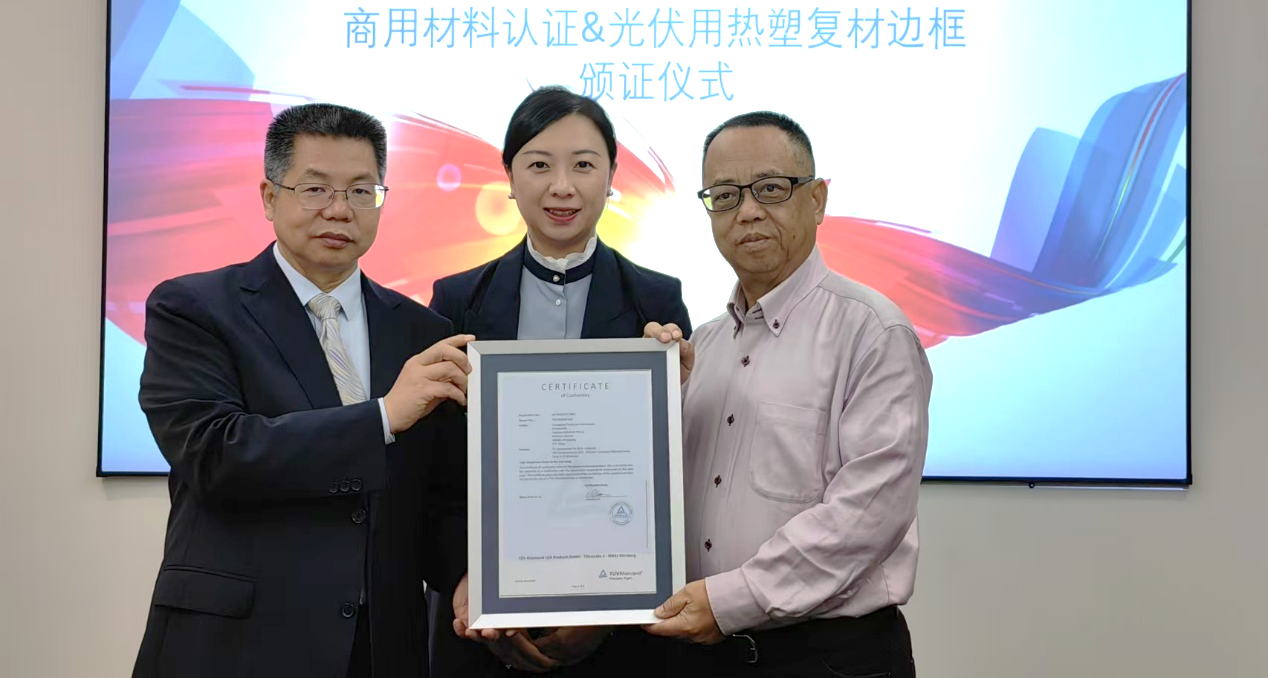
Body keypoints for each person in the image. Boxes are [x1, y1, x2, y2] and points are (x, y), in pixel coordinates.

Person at [131, 103, 472, 678]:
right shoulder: (193, 309)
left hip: (379, 648)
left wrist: (464, 576)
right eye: (315, 189)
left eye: (361, 191)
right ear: (269, 197)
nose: (339, 209)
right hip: (235, 645)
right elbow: (215, 453)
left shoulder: (422, 333)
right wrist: (382, 417)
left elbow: (435, 495)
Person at [643, 111, 932, 678]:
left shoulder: (873, 332)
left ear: (817, 200)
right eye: (725, 196)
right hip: (701, 653)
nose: (747, 211)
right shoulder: (701, 346)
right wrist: (648, 398)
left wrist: (731, 601)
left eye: (771, 188)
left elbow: (866, 515)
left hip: (828, 657)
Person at [428, 86, 692, 676]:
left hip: (623, 628)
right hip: (479, 620)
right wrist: (466, 577)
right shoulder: (456, 301)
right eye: (540, 165)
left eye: (584, 165)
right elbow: (434, 466)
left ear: (612, 176)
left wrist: (606, 610)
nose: (562, 187)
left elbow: (673, 471)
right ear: (509, 176)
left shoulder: (657, 301)